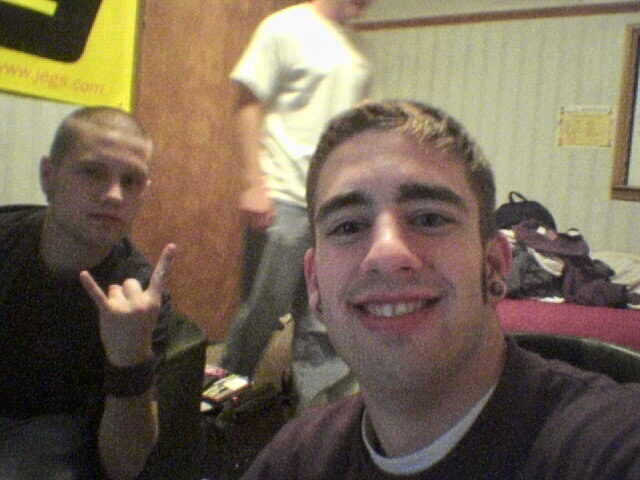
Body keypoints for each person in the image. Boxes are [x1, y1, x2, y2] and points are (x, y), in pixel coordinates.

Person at [241, 100, 640, 479]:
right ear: (314, 283)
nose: (386, 253)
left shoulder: (609, 446)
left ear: (494, 266)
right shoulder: (297, 456)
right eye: (348, 226)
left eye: (429, 219)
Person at [0, 107, 175, 480]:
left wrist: (130, 361)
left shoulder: (140, 298)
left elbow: (125, 466)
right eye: (92, 172)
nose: (114, 195)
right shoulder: (6, 237)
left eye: (131, 180)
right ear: (49, 175)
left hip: (62, 444)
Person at [221, 0, 375, 407]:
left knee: (324, 310)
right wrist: (253, 182)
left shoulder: (355, 45)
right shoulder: (284, 27)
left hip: (334, 200)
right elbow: (247, 102)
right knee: (262, 309)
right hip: (286, 194)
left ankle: (316, 414)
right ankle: (218, 400)